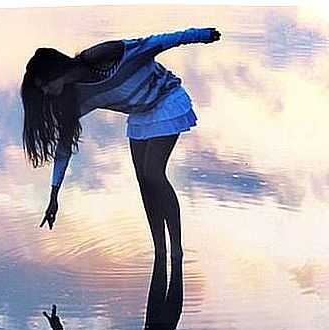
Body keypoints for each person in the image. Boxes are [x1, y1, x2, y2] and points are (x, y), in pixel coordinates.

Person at [21, 28, 221, 264]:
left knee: (153, 174)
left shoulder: (99, 57)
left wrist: (200, 35)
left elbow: (155, 43)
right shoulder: (72, 99)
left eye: (43, 84)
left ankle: (176, 251)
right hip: (141, 114)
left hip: (166, 98)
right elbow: (63, 149)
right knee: (143, 181)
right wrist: (54, 196)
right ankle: (160, 251)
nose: (44, 91)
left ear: (55, 71)